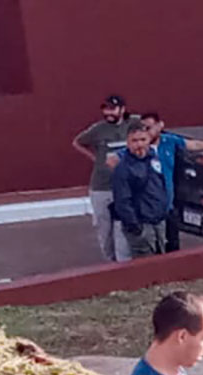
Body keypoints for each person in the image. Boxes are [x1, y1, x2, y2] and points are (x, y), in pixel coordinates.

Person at [142, 113, 203, 253]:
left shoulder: (169, 141)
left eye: (149, 127)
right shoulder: (139, 148)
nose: (147, 131)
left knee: (172, 245)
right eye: (143, 128)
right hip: (148, 209)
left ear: (160, 125)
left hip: (168, 206)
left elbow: (193, 144)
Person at [74, 94, 136, 262]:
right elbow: (77, 142)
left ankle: (124, 263)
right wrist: (94, 158)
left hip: (124, 186)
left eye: (112, 109)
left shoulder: (133, 124)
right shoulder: (98, 129)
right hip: (101, 186)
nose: (108, 112)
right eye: (106, 109)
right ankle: (110, 262)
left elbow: (149, 128)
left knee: (123, 226)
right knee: (105, 229)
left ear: (122, 110)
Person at [111, 124, 171, 258]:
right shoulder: (123, 168)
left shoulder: (154, 158)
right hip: (142, 224)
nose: (139, 144)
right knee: (146, 265)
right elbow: (122, 201)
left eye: (143, 140)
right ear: (127, 143)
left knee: (161, 259)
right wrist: (135, 227)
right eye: (135, 141)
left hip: (158, 221)